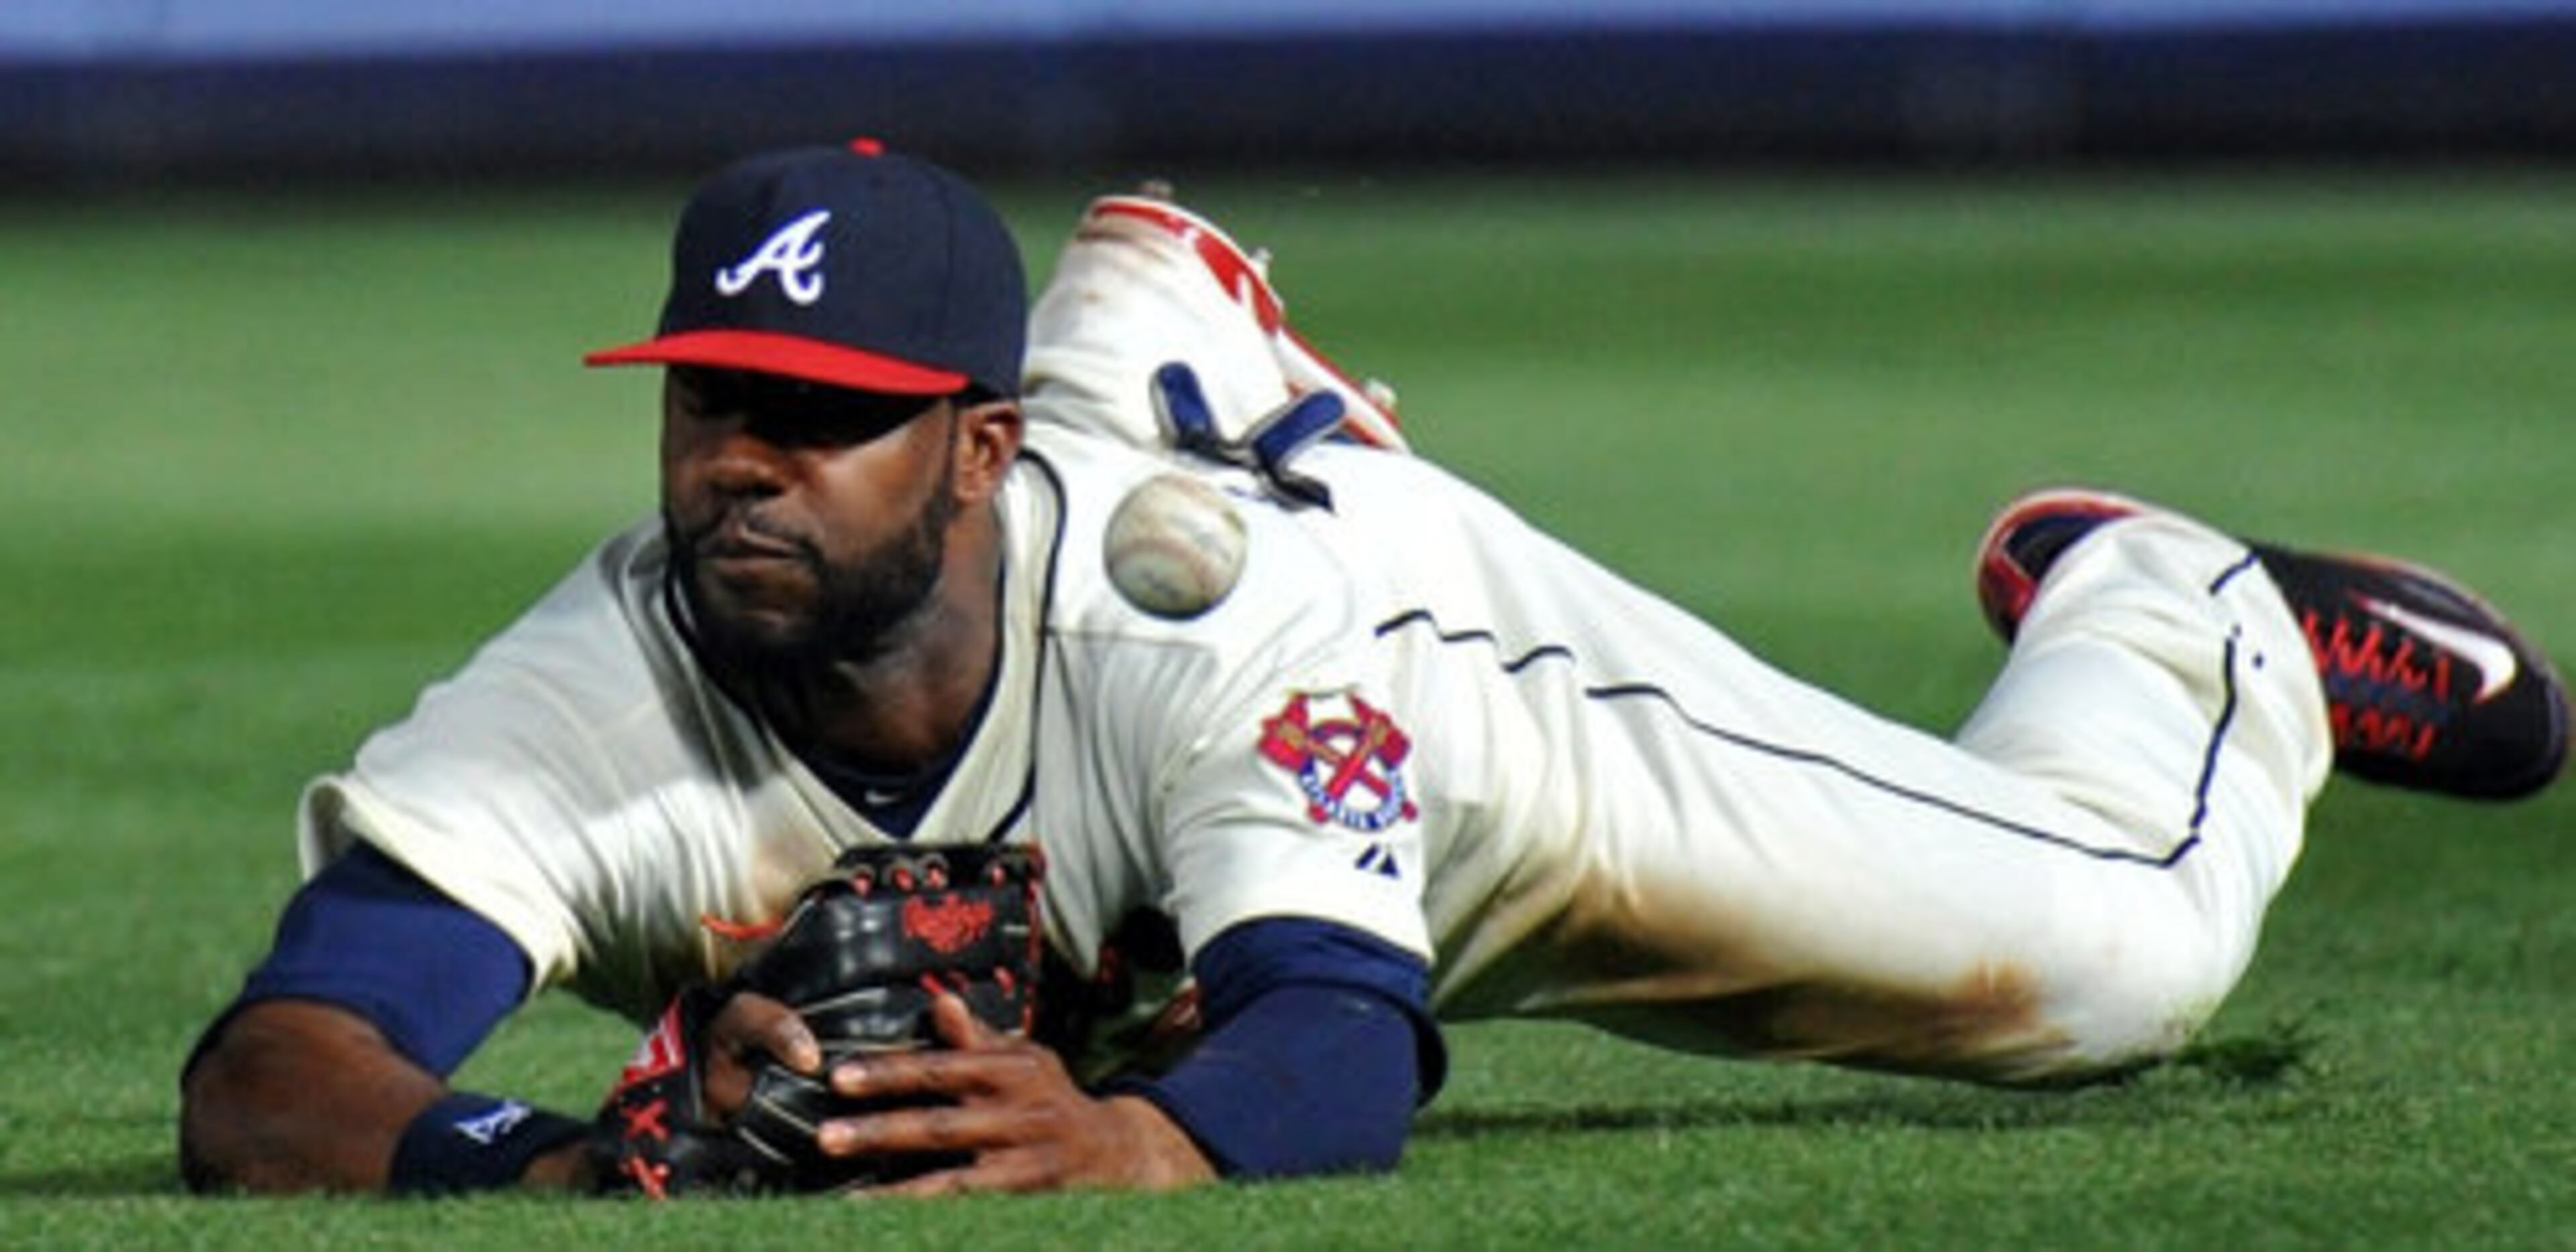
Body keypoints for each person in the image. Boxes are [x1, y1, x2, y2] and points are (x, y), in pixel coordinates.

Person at [178, 138, 2569, 1196]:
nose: (741, 473)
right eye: (714, 407)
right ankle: (1169, 334)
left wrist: (1135, 1134)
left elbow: (1332, 1034)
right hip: (1121, 532)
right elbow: (277, 1066)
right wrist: (540, 1149)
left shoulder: (1213, 632)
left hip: (1453, 710)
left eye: (825, 425)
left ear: (973, 449)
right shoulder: (612, 669)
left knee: (2106, 960)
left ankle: (2167, 605)